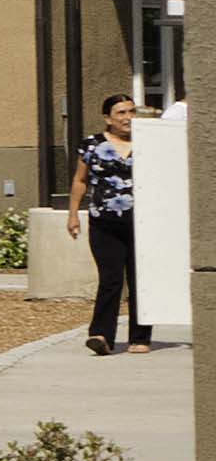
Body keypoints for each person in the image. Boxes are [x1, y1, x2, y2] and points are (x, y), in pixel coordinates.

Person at [75, 90, 153, 357]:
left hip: (143, 224)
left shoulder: (148, 143)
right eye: (121, 112)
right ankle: (101, 335)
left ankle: (140, 337)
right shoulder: (92, 145)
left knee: (139, 281)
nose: (128, 117)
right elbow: (80, 180)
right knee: (110, 280)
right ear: (108, 118)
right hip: (104, 223)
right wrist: (73, 213)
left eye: (131, 111)